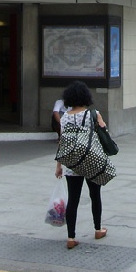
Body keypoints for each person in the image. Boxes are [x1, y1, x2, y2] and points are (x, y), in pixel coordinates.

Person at [54, 81, 108, 250]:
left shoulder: (65, 117)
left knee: (73, 200)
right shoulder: (94, 114)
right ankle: (98, 229)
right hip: (91, 161)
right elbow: (104, 133)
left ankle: (71, 237)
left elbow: (62, 142)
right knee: (95, 195)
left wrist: (59, 165)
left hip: (73, 163)